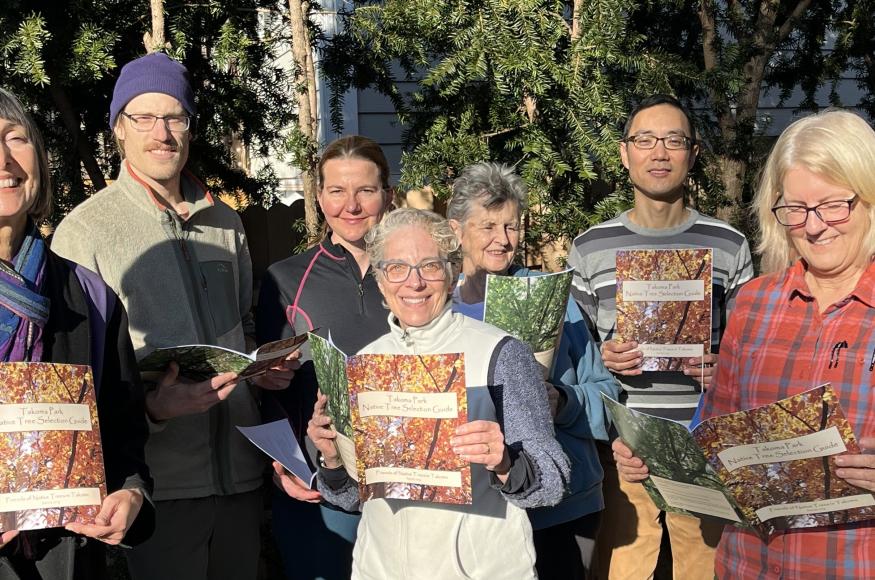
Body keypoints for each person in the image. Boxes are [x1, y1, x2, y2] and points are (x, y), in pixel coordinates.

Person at [50, 52, 296, 580]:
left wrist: (263, 369)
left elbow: (242, 325)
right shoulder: (85, 231)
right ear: (118, 129)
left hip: (240, 477)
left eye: (175, 117)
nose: (162, 132)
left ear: (189, 127)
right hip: (157, 486)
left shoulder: (225, 222)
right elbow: (73, 379)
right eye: (144, 117)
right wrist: (153, 410)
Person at [615, 109, 875, 578]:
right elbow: (715, 441)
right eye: (795, 209)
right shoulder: (755, 305)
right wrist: (656, 457)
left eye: (834, 205)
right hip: (749, 565)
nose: (814, 227)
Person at [308, 208, 570, 578]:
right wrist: (334, 459)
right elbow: (351, 498)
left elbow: (553, 483)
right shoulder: (364, 364)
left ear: (451, 275)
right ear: (380, 281)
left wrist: (506, 463)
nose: (414, 284)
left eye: (429, 266)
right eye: (397, 268)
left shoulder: (500, 352)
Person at [566, 94, 753, 579]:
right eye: (645, 140)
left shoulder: (728, 244)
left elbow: (753, 352)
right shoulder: (589, 248)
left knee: (706, 572)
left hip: (704, 449)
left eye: (674, 140)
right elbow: (574, 357)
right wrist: (601, 355)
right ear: (626, 153)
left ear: (692, 154)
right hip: (622, 451)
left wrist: (726, 363)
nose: (660, 152)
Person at [0, 88, 152, 579]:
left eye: (16, 139)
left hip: (67, 556)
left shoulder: (89, 295)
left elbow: (123, 428)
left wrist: (131, 492)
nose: (4, 159)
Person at [448, 161, 618, 579]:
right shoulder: (439, 311)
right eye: (487, 226)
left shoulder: (556, 301)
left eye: (511, 227)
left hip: (563, 507)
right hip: (477, 513)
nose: (503, 241)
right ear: (456, 230)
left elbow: (608, 394)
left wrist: (565, 402)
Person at [256, 135, 392, 579]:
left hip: (404, 484)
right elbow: (268, 387)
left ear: (387, 194)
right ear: (318, 196)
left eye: (366, 191)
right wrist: (283, 464)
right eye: (336, 191)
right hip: (319, 489)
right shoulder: (286, 279)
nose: (351, 205)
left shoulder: (415, 278)